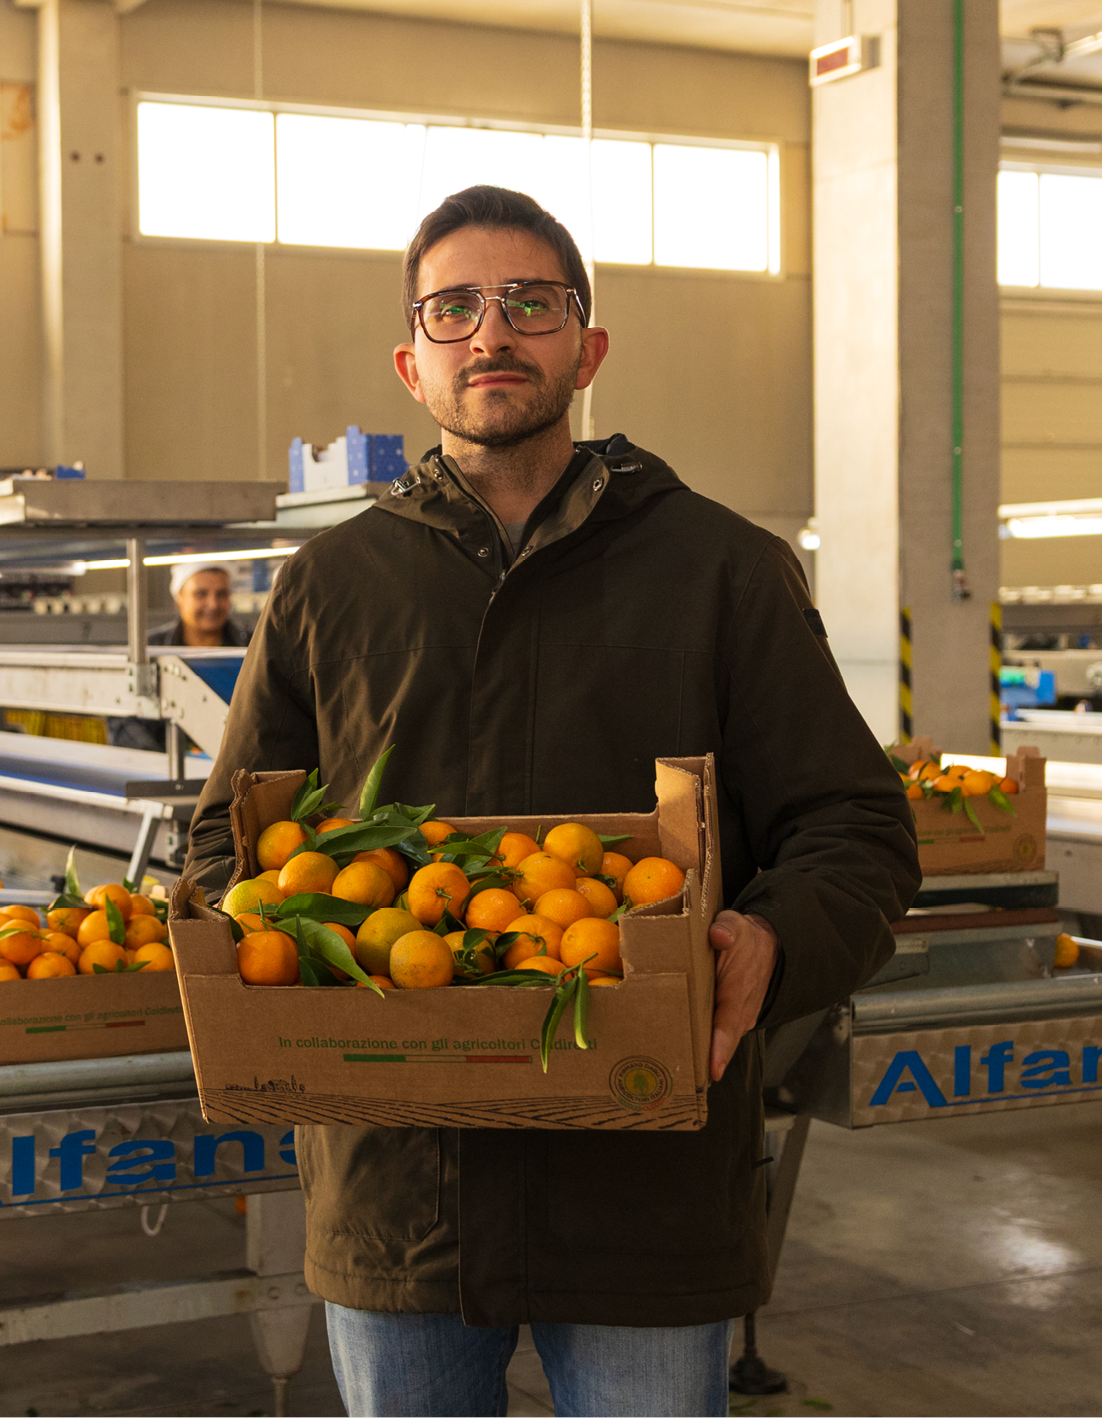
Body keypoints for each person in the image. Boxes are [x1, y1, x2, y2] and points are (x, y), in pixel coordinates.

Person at [184, 186, 919, 1417]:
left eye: (531, 303)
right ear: (412, 363)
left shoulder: (721, 572)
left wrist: (775, 937)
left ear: (588, 348)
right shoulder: (330, 588)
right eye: (454, 308)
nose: (492, 332)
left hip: (643, 1180)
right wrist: (263, 948)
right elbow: (228, 840)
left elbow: (855, 825)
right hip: (398, 1183)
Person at [107, 561, 254, 751]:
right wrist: (162, 762)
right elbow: (122, 718)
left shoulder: (251, 646)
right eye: (201, 594)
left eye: (221, 594)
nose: (213, 604)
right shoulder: (150, 648)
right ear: (179, 597)